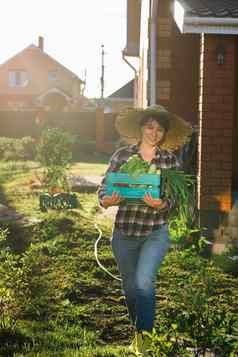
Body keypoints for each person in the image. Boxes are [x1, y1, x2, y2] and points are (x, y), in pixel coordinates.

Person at [97, 105, 192, 356]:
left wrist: (162, 204)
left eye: (160, 129)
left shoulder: (169, 160)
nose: (154, 133)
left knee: (143, 282)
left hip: (154, 232)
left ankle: (144, 341)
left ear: (164, 134)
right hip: (124, 232)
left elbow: (176, 199)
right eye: (150, 127)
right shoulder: (122, 156)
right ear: (141, 128)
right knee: (130, 288)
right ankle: (137, 331)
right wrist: (107, 200)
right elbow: (103, 188)